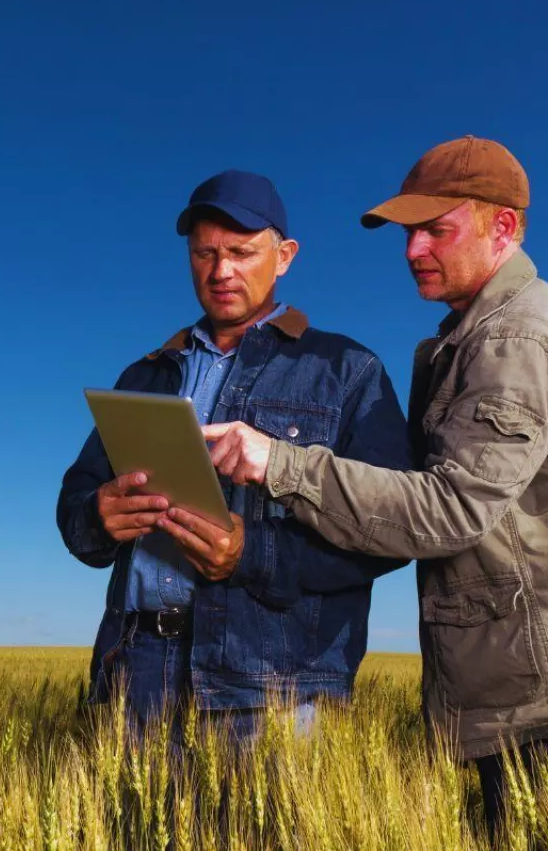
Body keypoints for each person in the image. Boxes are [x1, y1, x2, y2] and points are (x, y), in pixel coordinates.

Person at [200, 137, 548, 832]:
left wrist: (280, 463)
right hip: (529, 681)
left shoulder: (518, 340)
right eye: (407, 233)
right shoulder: (479, 336)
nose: (413, 249)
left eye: (436, 230)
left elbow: (452, 509)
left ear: (502, 227)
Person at [57, 169, 411, 740]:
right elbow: (76, 501)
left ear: (285, 256)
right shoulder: (144, 376)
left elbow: (392, 531)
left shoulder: (348, 372)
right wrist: (98, 516)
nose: (221, 271)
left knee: (267, 810)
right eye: (205, 253)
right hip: (134, 671)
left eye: (242, 253)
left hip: (272, 685)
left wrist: (254, 554)